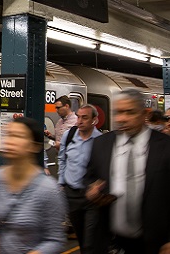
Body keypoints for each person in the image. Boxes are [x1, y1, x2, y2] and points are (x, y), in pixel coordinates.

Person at [84, 89, 170, 254]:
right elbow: (89, 178)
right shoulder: (101, 145)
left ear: (145, 114)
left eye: (130, 112)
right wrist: (92, 191)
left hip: (159, 245)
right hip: (111, 243)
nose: (122, 118)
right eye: (118, 112)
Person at [0, 116, 67, 254]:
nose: (10, 141)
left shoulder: (48, 189)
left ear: (34, 146)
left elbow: (55, 240)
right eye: (9, 135)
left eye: (18, 136)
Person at [57, 104, 103, 252]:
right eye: (78, 117)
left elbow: (104, 167)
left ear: (94, 120)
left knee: (90, 239)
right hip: (72, 194)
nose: (80, 121)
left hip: (90, 197)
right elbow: (62, 159)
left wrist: (99, 186)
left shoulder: (100, 140)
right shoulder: (69, 136)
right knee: (81, 236)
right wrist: (62, 182)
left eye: (85, 118)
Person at [45, 96, 78, 160]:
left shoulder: (76, 122)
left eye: (58, 108)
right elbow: (60, 138)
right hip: (59, 157)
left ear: (66, 106)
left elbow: (77, 142)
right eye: (56, 108)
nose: (56, 110)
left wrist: (62, 146)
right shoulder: (59, 122)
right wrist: (51, 136)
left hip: (71, 158)